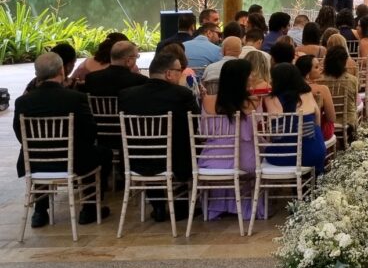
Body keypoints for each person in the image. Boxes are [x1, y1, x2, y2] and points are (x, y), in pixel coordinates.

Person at [15, 52, 113, 228]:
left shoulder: (23, 102)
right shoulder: (75, 98)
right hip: (73, 160)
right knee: (103, 153)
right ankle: (89, 208)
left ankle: (40, 211)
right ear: (61, 70)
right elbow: (90, 131)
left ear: (37, 74)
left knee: (42, 156)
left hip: (34, 162)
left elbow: (19, 133)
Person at [119, 52, 201, 222]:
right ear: (169, 73)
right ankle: (180, 206)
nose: (181, 74)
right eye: (179, 70)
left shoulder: (127, 95)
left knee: (154, 147)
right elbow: (195, 122)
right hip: (175, 160)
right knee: (187, 143)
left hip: (136, 159)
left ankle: (158, 206)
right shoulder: (182, 94)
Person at [198, 58, 261, 221]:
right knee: (260, 154)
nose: (253, 76)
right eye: (250, 73)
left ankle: (218, 206)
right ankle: (245, 205)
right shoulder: (253, 102)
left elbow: (203, 132)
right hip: (244, 160)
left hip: (211, 160)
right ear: (242, 78)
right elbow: (256, 130)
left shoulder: (207, 100)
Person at [263, 63, 327, 175]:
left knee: (268, 147)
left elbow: (274, 133)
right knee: (313, 130)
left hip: (284, 156)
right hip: (313, 153)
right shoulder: (307, 93)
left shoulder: (270, 98)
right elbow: (317, 122)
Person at [82, 41, 148, 98]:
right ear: (129, 61)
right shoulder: (140, 80)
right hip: (127, 109)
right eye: (137, 56)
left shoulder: (91, 78)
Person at [321, 45, 360, 139]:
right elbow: (355, 100)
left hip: (326, 120)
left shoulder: (319, 80)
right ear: (345, 61)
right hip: (347, 119)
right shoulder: (352, 80)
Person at [295, 55, 336, 141]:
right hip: (317, 132)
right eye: (316, 67)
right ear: (307, 74)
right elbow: (331, 118)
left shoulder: (290, 88)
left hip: (294, 131)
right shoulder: (322, 89)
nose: (321, 68)